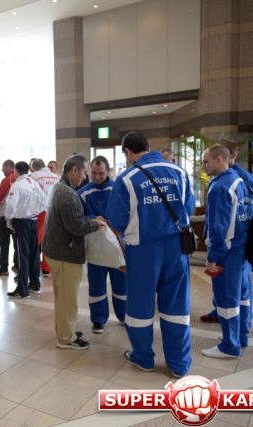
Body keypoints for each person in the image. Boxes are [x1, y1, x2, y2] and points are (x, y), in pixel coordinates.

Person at [106, 131, 194, 377]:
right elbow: (187, 208)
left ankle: (144, 358)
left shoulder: (127, 179)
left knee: (140, 305)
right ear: (147, 146)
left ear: (128, 152)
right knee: (177, 305)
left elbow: (117, 220)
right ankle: (179, 363)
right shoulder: (179, 172)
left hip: (143, 250)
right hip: (177, 248)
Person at [42, 154, 103, 350]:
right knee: (68, 299)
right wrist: (95, 224)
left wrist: (90, 220)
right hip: (64, 253)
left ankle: (64, 331)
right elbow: (75, 226)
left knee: (63, 297)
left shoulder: (59, 187)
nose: (85, 177)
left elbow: (72, 220)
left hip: (56, 250)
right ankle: (66, 338)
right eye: (84, 172)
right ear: (74, 169)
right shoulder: (67, 193)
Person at [201, 144, 253, 359]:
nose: (203, 166)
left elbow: (218, 227)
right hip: (241, 247)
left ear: (219, 160)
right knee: (241, 295)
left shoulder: (220, 187)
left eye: (206, 161)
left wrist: (212, 256)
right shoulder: (239, 180)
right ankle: (241, 337)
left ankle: (229, 346)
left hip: (227, 251)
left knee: (226, 298)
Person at [77, 156, 127, 334]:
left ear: (109, 171)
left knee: (121, 282)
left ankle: (124, 315)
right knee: (96, 283)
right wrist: (93, 218)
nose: (97, 177)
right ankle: (98, 319)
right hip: (95, 245)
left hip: (118, 245)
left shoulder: (118, 189)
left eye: (101, 173)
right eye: (93, 173)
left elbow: (127, 212)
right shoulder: (82, 193)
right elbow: (79, 216)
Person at [5, 161, 48, 298]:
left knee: (22, 255)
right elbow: (44, 201)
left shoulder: (17, 185)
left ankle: (22, 289)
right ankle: (35, 284)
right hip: (33, 221)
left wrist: (9, 218)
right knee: (34, 253)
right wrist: (35, 211)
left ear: (16, 171)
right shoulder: (34, 183)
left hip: (22, 222)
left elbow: (10, 205)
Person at [29, 158, 60, 277]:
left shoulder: (35, 176)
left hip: (40, 212)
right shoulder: (56, 177)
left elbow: (31, 194)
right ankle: (47, 267)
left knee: (35, 240)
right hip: (54, 212)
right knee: (49, 240)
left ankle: (33, 268)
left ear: (35, 168)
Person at [0, 159, 18, 276]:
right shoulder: (19, 179)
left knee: (4, 243)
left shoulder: (7, 179)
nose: (2, 169)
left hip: (5, 215)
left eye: (3, 167)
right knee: (17, 243)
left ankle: (3, 268)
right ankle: (17, 265)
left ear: (8, 167)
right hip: (17, 216)